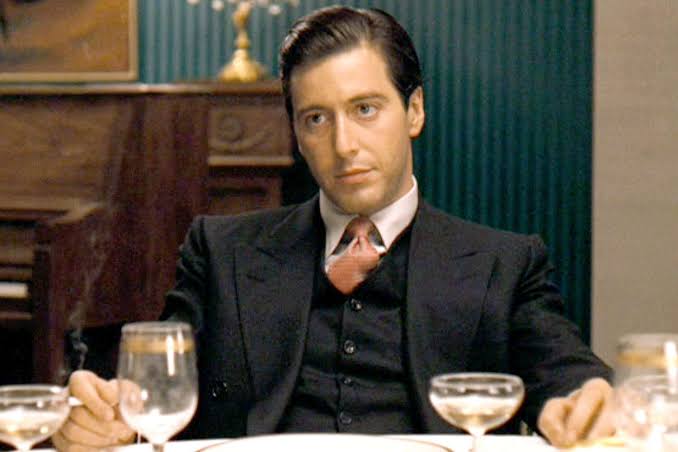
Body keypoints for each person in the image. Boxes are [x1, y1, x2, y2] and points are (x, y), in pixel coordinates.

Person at [53, 6, 615, 451]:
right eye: (317, 119)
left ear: (414, 111)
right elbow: (150, 386)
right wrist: (102, 414)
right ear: (297, 135)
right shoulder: (220, 250)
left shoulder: (506, 264)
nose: (343, 145)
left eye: (366, 109)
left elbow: (567, 372)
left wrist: (585, 401)